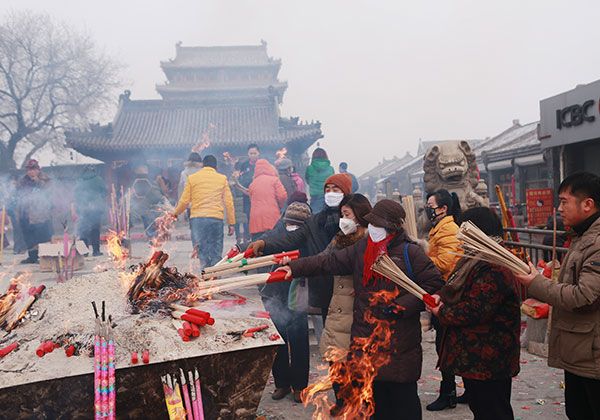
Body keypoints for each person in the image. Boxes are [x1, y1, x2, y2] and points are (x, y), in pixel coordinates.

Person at [278, 199, 444, 419]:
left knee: (404, 405)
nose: (372, 228)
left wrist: (401, 306)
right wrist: (295, 267)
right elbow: (328, 262)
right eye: (371, 223)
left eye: (377, 225)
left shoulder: (409, 253)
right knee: (374, 405)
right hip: (366, 340)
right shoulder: (362, 249)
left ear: (391, 227)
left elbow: (434, 285)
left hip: (398, 342)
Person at [514, 172, 600, 420]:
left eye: (564, 201)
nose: (558, 208)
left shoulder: (596, 242)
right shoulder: (582, 237)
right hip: (581, 350)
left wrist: (537, 284)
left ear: (587, 204)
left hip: (592, 352)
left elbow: (584, 296)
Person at [426, 207, 520, 420]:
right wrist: (442, 295)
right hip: (476, 356)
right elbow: (460, 288)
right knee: (481, 408)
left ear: (478, 231)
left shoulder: (493, 263)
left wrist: (442, 311)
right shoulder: (474, 257)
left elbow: (475, 310)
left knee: (493, 411)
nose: (460, 235)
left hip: (490, 357)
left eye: (464, 229)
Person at [248, 173, 353, 321]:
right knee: (329, 330)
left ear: (346, 192)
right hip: (324, 285)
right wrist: (265, 244)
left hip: (349, 288)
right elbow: (290, 239)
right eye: (328, 190)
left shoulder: (354, 222)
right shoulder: (315, 221)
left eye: (336, 190)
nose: (331, 194)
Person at [319, 193, 371, 416]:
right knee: (336, 358)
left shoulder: (371, 241)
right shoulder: (338, 239)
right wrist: (296, 266)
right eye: (342, 215)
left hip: (360, 309)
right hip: (338, 306)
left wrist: (363, 286)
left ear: (359, 216)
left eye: (347, 215)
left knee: (361, 360)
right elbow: (323, 260)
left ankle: (364, 400)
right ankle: (342, 400)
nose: (343, 220)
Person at [260, 201, 312, 403]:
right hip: (274, 294)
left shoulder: (309, 238)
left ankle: (300, 386)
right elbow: (263, 246)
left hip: (299, 292)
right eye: (289, 223)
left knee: (299, 340)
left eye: (297, 225)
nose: (291, 228)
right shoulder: (277, 233)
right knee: (278, 340)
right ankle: (281, 383)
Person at [424, 189, 464, 411]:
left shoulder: (448, 229)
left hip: (448, 294)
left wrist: (422, 258)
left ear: (443, 208)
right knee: (451, 343)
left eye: (431, 205)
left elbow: (445, 263)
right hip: (445, 292)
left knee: (446, 344)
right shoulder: (440, 228)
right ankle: (469, 391)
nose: (428, 209)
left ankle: (448, 392)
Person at [172, 155, 235, 267]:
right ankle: (216, 278)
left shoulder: (192, 178)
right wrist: (231, 223)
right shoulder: (222, 179)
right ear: (216, 167)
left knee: (202, 252)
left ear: (203, 165)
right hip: (216, 219)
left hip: (197, 220)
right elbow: (228, 202)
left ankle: (206, 277)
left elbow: (184, 200)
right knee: (216, 252)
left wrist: (175, 214)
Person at [17, 159, 53, 264]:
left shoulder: (45, 180)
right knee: (28, 236)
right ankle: (32, 257)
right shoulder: (22, 181)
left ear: (38, 170)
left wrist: (37, 181)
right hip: (25, 213)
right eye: (30, 170)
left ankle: (43, 257)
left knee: (41, 236)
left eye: (34, 169)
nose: (32, 172)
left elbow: (49, 192)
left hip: (40, 213)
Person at [248, 159, 287, 240]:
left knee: (257, 247)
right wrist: (281, 206)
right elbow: (282, 196)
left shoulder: (252, 184)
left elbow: (251, 199)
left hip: (255, 220)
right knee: (273, 245)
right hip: (272, 217)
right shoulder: (274, 180)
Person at [74, 166, 107, 256]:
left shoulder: (80, 180)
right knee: (95, 230)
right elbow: (104, 192)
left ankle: (84, 252)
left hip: (83, 208)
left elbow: (76, 194)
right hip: (95, 208)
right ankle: (96, 251)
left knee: (84, 230)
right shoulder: (98, 179)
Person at [130, 164, 166, 241]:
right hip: (147, 205)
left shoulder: (136, 180)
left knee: (148, 221)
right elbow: (159, 194)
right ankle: (152, 237)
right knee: (150, 221)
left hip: (143, 204)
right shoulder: (152, 182)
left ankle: (151, 236)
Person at [305, 148, 334, 213]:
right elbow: (333, 182)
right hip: (328, 195)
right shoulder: (331, 169)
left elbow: (307, 180)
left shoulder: (309, 168)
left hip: (315, 195)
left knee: (315, 217)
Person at [238, 143, 261, 227]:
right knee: (249, 217)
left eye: (254, 153)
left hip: (260, 196)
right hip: (248, 196)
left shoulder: (262, 164)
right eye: (251, 153)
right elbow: (241, 179)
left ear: (258, 153)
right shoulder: (244, 165)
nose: (253, 155)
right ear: (248, 154)